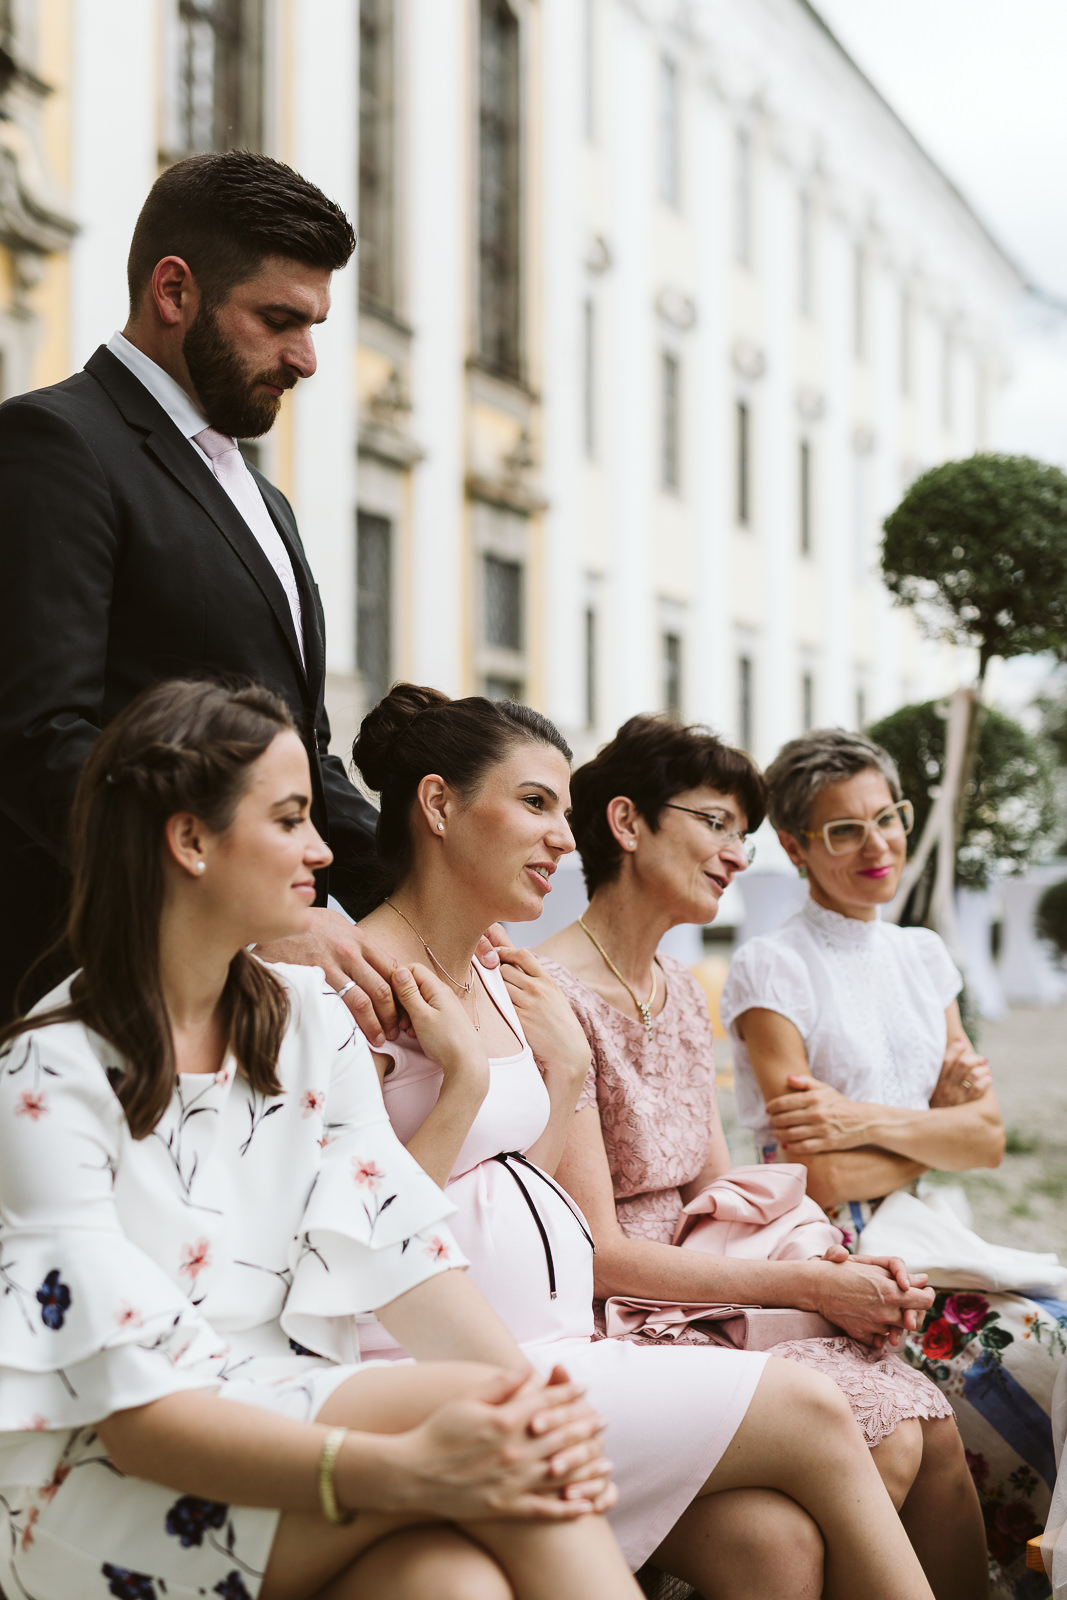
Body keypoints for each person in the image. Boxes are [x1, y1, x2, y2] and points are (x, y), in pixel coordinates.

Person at [0, 677, 643, 1600]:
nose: (321, 848)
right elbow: (138, 1421)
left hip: (293, 1401)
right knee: (496, 1456)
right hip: (106, 1481)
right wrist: (411, 1472)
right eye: (291, 818)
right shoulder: (47, 1073)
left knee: (453, 1575)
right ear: (189, 840)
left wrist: (533, 1413)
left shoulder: (314, 1021)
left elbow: (404, 1252)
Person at [344, 682, 939, 1600]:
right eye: (536, 803)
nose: (560, 835)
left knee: (772, 1546)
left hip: (564, 1340)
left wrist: (568, 1074)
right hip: (455, 1361)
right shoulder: (354, 990)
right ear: (437, 806)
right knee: (823, 1411)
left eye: (562, 808)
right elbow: (358, 1242)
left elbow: (516, 1195)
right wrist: (465, 1086)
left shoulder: (508, 981)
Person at [534, 714, 988, 1600]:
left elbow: (720, 1191)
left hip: (708, 1293)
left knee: (922, 1424)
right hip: (619, 1318)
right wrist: (810, 1288)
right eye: (714, 823)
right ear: (627, 825)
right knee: (888, 1441)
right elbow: (593, 1256)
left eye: (742, 833)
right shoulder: (550, 996)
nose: (736, 854)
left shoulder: (672, 991)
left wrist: (831, 1262)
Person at [0, 149, 397, 1029]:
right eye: (279, 319)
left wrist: (423, 902)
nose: (306, 359)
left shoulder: (264, 499)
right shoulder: (54, 445)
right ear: (173, 292)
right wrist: (244, 913)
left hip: (240, 1012)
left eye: (316, 324)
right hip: (95, 998)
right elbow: (37, 739)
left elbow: (301, 750)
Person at [722, 727, 1064, 1600]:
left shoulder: (921, 955)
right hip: (833, 1255)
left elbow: (985, 1139)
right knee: (1048, 1345)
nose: (877, 846)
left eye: (887, 818)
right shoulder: (771, 966)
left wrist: (856, 1117)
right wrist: (928, 1127)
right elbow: (820, 1177)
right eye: (843, 830)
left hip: (930, 1226)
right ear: (794, 846)